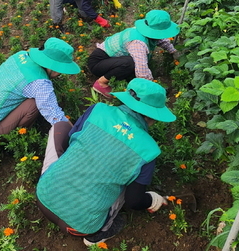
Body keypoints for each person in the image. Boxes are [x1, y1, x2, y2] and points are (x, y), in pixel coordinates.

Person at [36, 78, 175, 246]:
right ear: (153, 116)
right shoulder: (149, 150)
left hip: (43, 199)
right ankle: (98, 234)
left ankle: (63, 178)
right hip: (81, 226)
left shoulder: (98, 110)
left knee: (60, 127)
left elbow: (71, 139)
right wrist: (152, 200)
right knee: (128, 183)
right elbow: (135, 201)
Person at [0, 38, 80, 135]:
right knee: (33, 104)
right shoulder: (40, 82)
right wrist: (75, 133)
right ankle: (16, 135)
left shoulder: (21, 55)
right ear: (55, 68)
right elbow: (55, 115)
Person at [87, 9, 179, 97]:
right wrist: (154, 90)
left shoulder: (146, 30)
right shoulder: (138, 43)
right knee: (131, 63)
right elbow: (142, 73)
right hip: (98, 63)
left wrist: (173, 51)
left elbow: (161, 40)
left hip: (112, 61)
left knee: (132, 64)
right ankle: (101, 83)